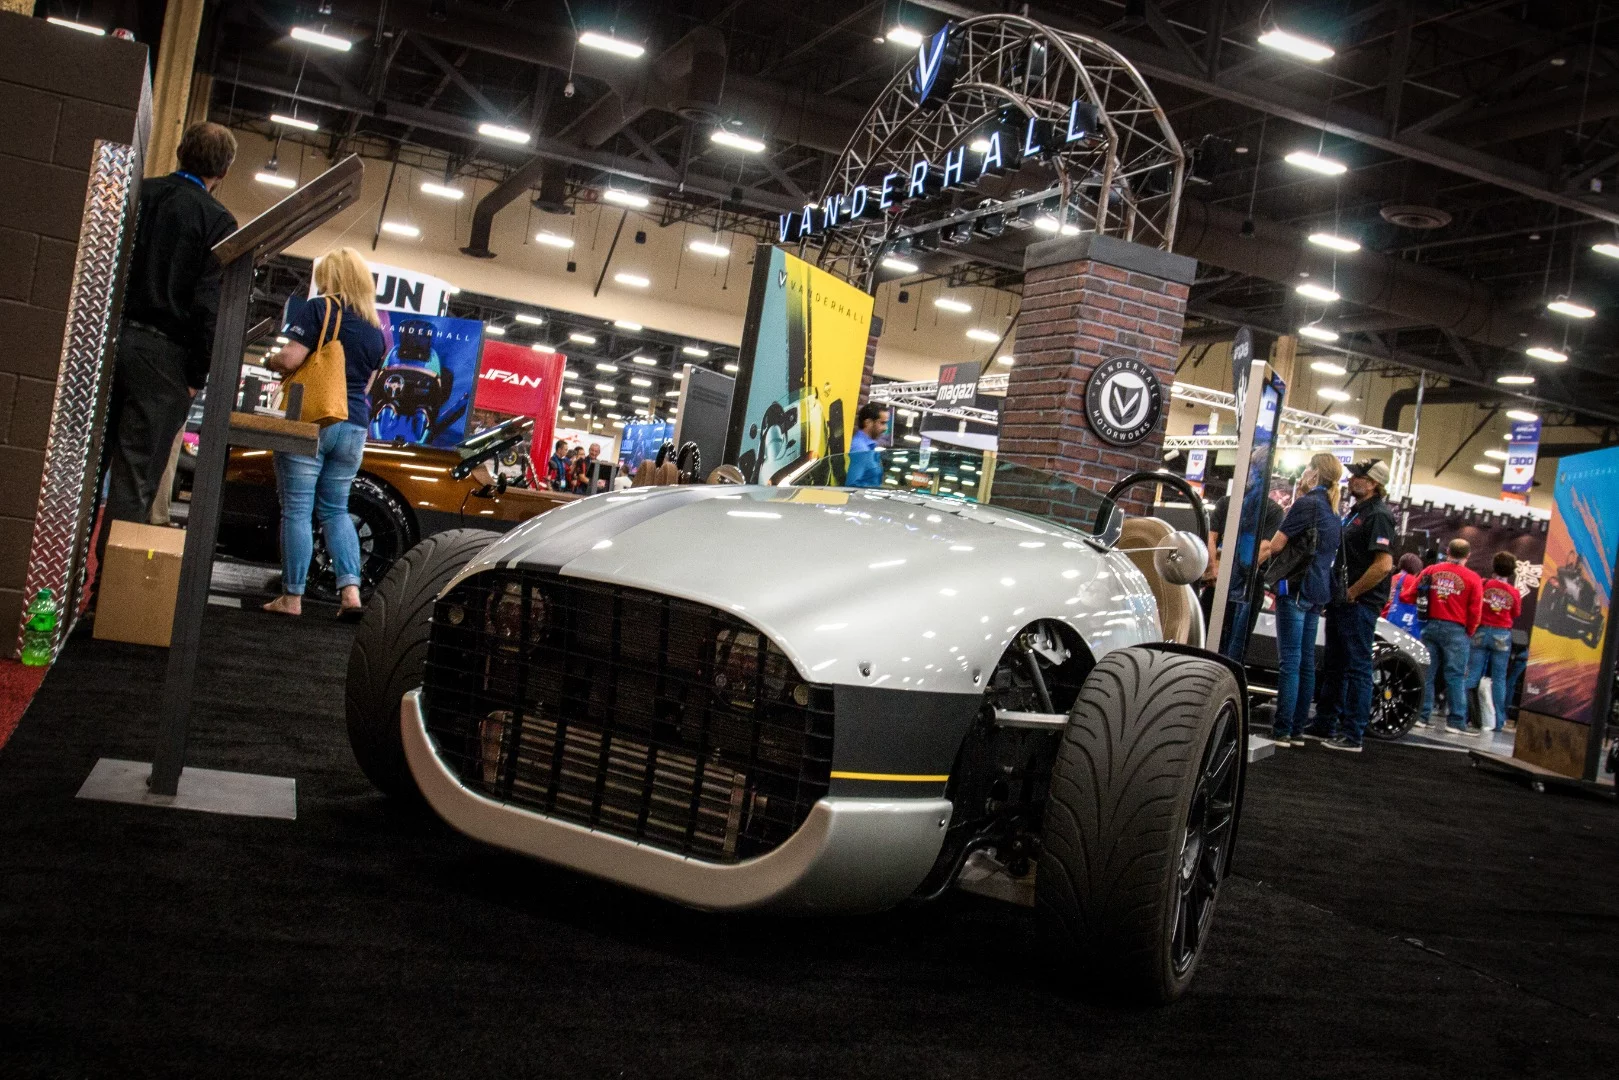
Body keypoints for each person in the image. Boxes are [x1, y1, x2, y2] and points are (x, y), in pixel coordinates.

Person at [100, 122, 238, 544]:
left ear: (179, 151)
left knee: (83, 472)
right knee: (134, 477)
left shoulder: (138, 192)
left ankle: (62, 588)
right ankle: (109, 599)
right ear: (225, 171)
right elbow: (207, 306)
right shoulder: (218, 221)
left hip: (108, 342)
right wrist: (198, 375)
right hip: (163, 360)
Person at [260, 248, 387, 619]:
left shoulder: (320, 308)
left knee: (297, 510)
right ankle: (351, 594)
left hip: (312, 422)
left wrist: (271, 359)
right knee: (336, 509)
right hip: (353, 426)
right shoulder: (376, 330)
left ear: (331, 276)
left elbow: (290, 360)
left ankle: (292, 597)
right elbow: (366, 387)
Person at [1309, 459, 1398, 753]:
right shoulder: (1357, 513)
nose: (1351, 480)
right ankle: (1325, 722)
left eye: (1358, 476)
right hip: (1344, 600)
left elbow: (1384, 565)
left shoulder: (1379, 516)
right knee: (1335, 664)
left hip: (1359, 603)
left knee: (1358, 667)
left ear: (1373, 483)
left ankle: (1353, 734)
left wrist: (1353, 592)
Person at [1261, 454, 1343, 745]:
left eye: (1308, 467)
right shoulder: (1334, 511)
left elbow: (1277, 544)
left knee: (1290, 663)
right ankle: (1295, 729)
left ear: (1315, 473)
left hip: (1294, 588)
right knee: (1305, 662)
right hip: (1317, 591)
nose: (1304, 472)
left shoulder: (1307, 505)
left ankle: (1282, 729)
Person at [1401, 538, 1484, 736]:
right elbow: (1475, 611)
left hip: (1430, 626)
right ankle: (1455, 721)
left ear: (1448, 551)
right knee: (1455, 676)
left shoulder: (1431, 571)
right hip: (1457, 630)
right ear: (1468, 556)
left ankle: (1421, 716)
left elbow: (1408, 596)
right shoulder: (1473, 578)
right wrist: (1470, 631)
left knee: (1427, 673)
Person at [1199, 480, 1285, 630]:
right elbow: (1210, 538)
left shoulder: (1271, 510)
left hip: (1242, 582)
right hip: (1226, 579)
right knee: (1211, 632)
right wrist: (1214, 570)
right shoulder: (1227, 503)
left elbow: (1265, 548)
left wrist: (1220, 572)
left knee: (1225, 636)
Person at [1466, 551, 1521, 733]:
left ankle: (1466, 715)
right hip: (1502, 635)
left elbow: (1475, 604)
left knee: (1472, 675)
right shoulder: (1513, 592)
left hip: (1481, 631)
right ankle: (1498, 721)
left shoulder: (1484, 584)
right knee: (1499, 679)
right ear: (1512, 571)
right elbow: (1516, 613)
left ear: (1494, 566)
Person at [847, 402, 888, 487]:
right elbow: (852, 484)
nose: (885, 428)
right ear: (868, 422)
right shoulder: (860, 449)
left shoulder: (868, 448)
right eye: (882, 423)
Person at [1383, 552, 1425, 637]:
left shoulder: (1392, 578)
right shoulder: (1412, 580)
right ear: (1416, 569)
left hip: (1384, 615)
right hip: (1399, 619)